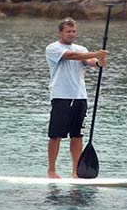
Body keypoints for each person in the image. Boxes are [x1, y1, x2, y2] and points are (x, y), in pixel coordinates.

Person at [45, 17, 108, 178]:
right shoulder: (53, 48)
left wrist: (99, 61)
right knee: (56, 135)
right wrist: (94, 53)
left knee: (77, 135)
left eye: (74, 31)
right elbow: (72, 56)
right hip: (61, 97)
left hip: (80, 97)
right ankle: (51, 170)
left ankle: (75, 172)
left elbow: (89, 60)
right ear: (61, 32)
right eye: (68, 31)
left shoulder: (81, 48)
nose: (71, 34)